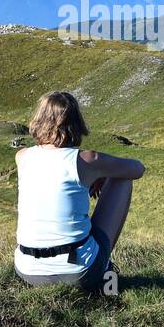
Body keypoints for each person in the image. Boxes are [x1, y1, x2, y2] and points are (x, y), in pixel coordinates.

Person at [13, 91, 144, 292]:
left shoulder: (22, 157)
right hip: (78, 272)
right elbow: (137, 169)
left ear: (39, 119)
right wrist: (104, 172)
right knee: (123, 178)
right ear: (75, 122)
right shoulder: (86, 160)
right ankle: (105, 268)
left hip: (26, 270)